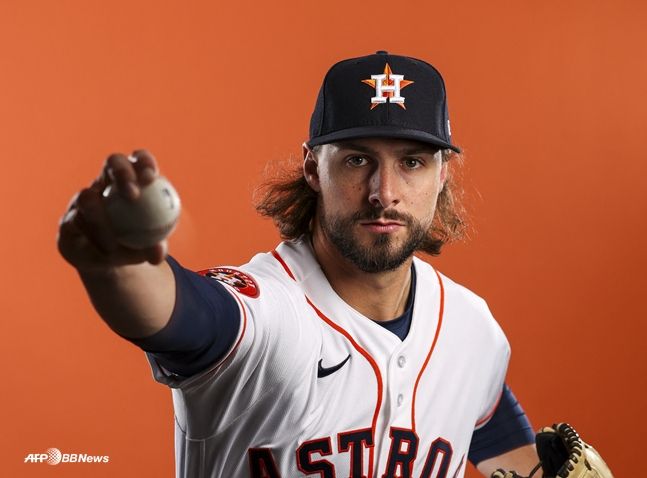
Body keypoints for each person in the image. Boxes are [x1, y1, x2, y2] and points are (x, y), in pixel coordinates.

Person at [58, 51, 540, 478]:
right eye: (357, 161)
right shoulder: (268, 312)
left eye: (411, 162)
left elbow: (502, 435)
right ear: (313, 168)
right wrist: (115, 263)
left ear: (442, 175)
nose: (384, 192)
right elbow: (182, 314)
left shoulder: (470, 329)